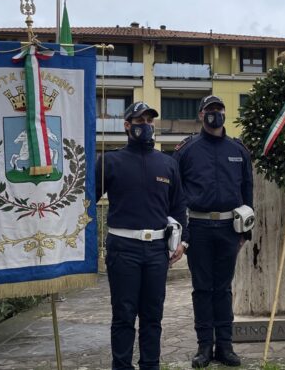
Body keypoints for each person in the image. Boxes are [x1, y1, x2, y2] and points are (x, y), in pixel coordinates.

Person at [95, 101, 189, 370]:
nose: (146, 126)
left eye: (149, 121)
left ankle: (151, 365)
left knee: (152, 316)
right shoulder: (110, 161)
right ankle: (121, 366)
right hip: (123, 248)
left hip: (157, 251)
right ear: (127, 126)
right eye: (139, 121)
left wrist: (182, 242)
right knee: (124, 315)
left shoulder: (167, 164)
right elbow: (87, 200)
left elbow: (179, 205)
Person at [173, 95, 253, 368]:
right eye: (209, 110)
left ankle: (226, 347)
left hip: (230, 228)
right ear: (200, 115)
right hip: (199, 227)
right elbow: (176, 193)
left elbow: (247, 192)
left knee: (223, 289)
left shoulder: (238, 149)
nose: (214, 114)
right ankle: (204, 346)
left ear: (224, 113)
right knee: (202, 288)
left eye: (219, 109)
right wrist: (181, 232)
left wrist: (246, 231)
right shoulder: (187, 150)